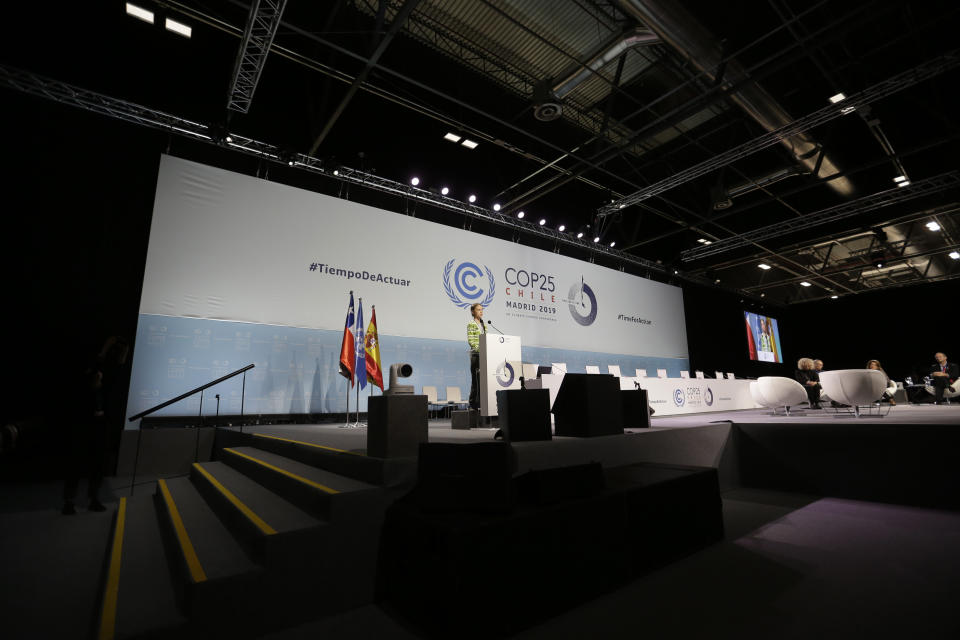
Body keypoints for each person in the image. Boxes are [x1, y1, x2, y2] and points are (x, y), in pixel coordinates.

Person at [467, 303, 485, 410]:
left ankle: (482, 403)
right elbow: (471, 341)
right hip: (475, 355)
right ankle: (473, 403)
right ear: (473, 312)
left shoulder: (484, 325)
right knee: (475, 380)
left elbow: (486, 340)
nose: (481, 311)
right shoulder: (471, 324)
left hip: (484, 356)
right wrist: (481, 349)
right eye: (478, 310)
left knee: (482, 380)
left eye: (482, 309)